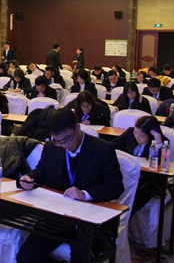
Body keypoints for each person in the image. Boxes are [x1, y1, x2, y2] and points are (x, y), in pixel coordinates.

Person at [16, 109, 124, 263]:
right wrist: (29, 179)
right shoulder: (51, 147)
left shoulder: (103, 149)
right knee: (25, 257)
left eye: (67, 139)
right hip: (57, 217)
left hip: (88, 221)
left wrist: (85, 194)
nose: (64, 145)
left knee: (81, 258)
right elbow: (40, 173)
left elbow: (115, 187)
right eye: (58, 141)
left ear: (77, 127)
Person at [112, 116, 165, 212]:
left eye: (142, 136)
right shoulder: (130, 132)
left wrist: (158, 140)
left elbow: (162, 163)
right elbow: (112, 145)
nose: (137, 137)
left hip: (147, 181)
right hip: (126, 176)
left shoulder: (161, 142)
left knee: (131, 203)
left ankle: (123, 218)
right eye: (136, 132)